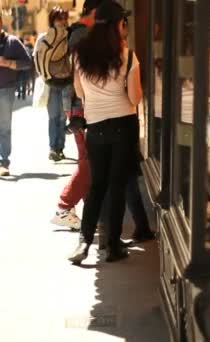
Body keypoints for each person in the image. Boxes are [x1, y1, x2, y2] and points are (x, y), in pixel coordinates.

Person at [68, 1, 142, 264]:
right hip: (124, 125)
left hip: (96, 128)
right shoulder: (128, 56)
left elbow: (79, 92)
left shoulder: (78, 54)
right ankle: (112, 246)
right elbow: (134, 98)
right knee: (118, 186)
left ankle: (84, 242)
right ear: (118, 25)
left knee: (97, 185)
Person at [50, 0, 102, 230]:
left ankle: (86, 209)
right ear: (94, 13)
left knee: (89, 159)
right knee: (88, 161)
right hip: (79, 104)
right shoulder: (82, 36)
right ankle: (64, 207)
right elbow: (83, 76)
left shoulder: (78, 33)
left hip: (77, 103)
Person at [34, 7, 71, 162]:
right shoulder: (43, 38)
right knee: (53, 116)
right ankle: (52, 148)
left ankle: (60, 148)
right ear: (52, 20)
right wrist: (44, 76)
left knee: (63, 117)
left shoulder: (69, 36)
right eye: (58, 18)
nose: (62, 22)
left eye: (64, 18)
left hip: (67, 82)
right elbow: (37, 58)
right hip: (51, 82)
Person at [0, 17, 32, 176]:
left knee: (4, 128)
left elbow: (28, 62)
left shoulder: (12, 42)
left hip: (5, 89)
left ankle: (3, 162)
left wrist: (8, 63)